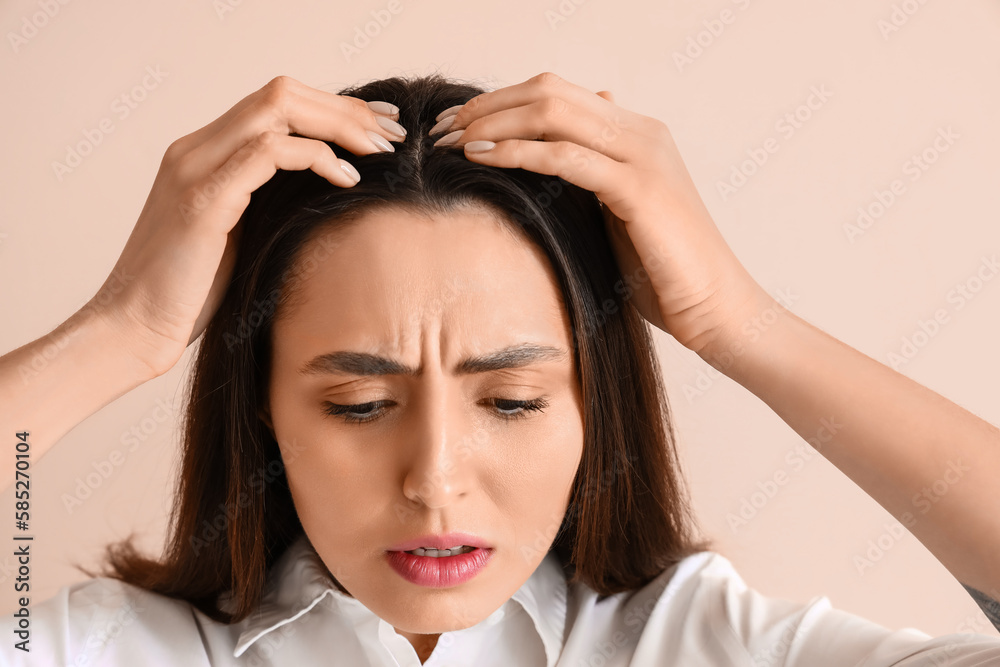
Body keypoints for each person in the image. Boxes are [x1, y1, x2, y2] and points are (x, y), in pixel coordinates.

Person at [0, 71, 998, 666]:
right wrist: (123, 327)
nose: (435, 476)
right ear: (262, 410)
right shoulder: (113, 649)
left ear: (590, 409)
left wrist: (738, 321)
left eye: (511, 399)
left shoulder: (700, 644)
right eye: (359, 402)